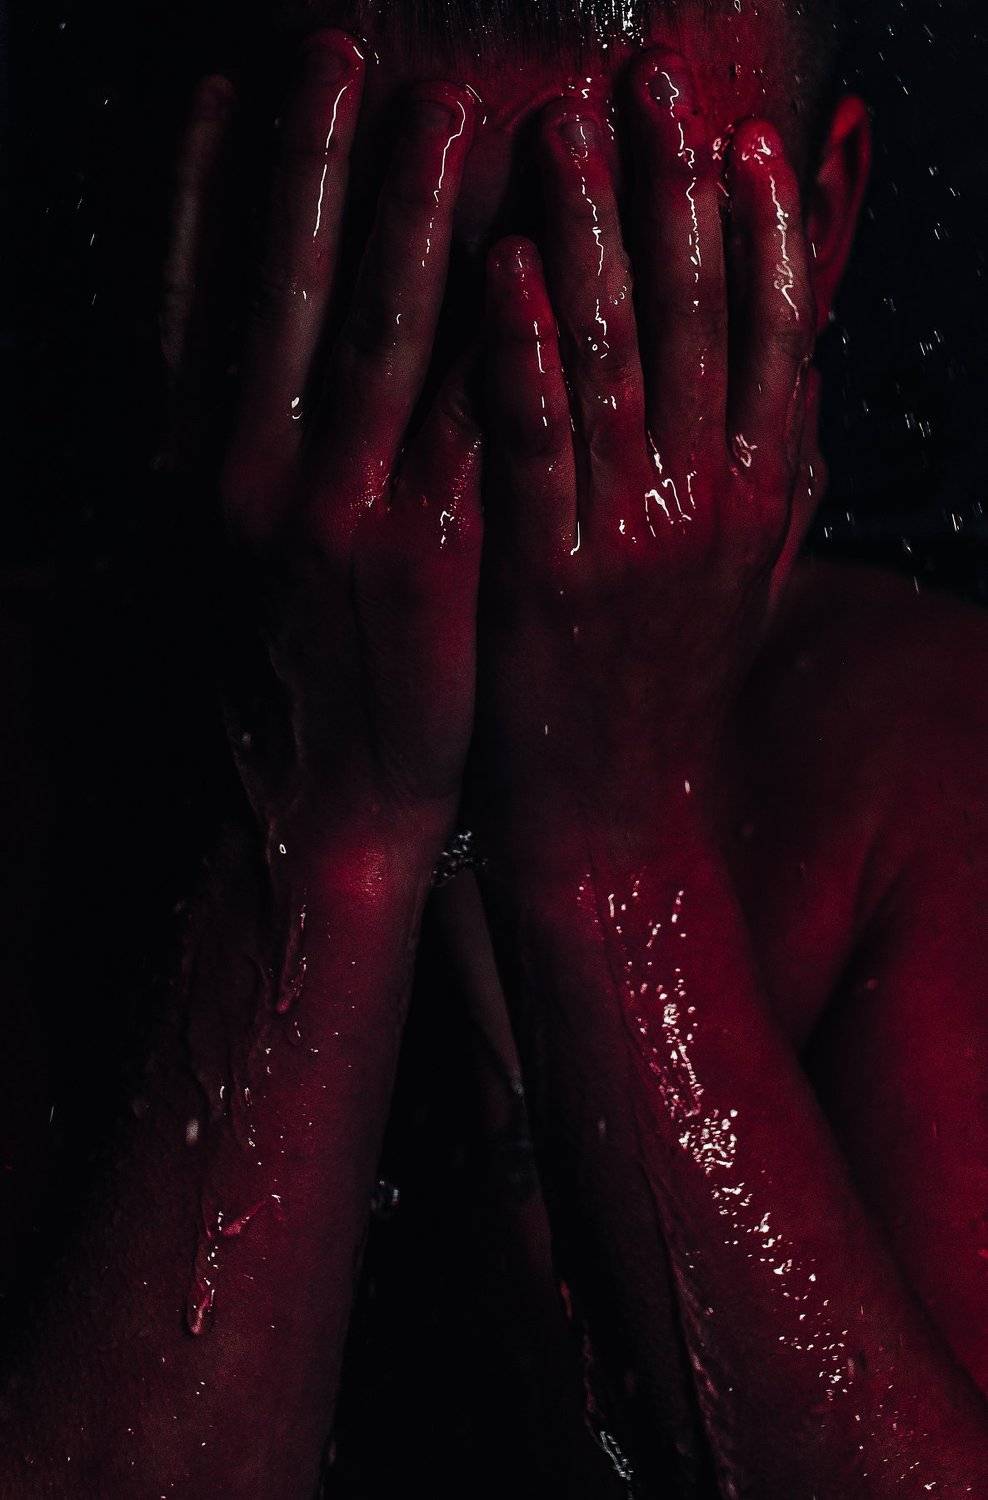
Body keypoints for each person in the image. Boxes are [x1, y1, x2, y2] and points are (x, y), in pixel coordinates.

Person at [2, 0, 987, 1494]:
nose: (506, 402)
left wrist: (612, 846)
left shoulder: (912, 765)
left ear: (820, 233)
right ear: (225, 229)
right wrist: (326, 824)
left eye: (621, 275)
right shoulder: (37, 753)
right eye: (378, 275)